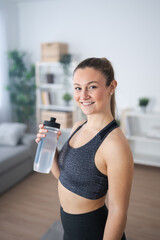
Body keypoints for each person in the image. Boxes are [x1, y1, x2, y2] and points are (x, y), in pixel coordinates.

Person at [35, 57, 134, 240]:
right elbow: (63, 177)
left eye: (92, 87)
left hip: (92, 231)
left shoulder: (114, 145)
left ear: (111, 87)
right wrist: (49, 147)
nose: (83, 96)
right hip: (69, 228)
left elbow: (118, 211)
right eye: (78, 88)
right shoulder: (78, 127)